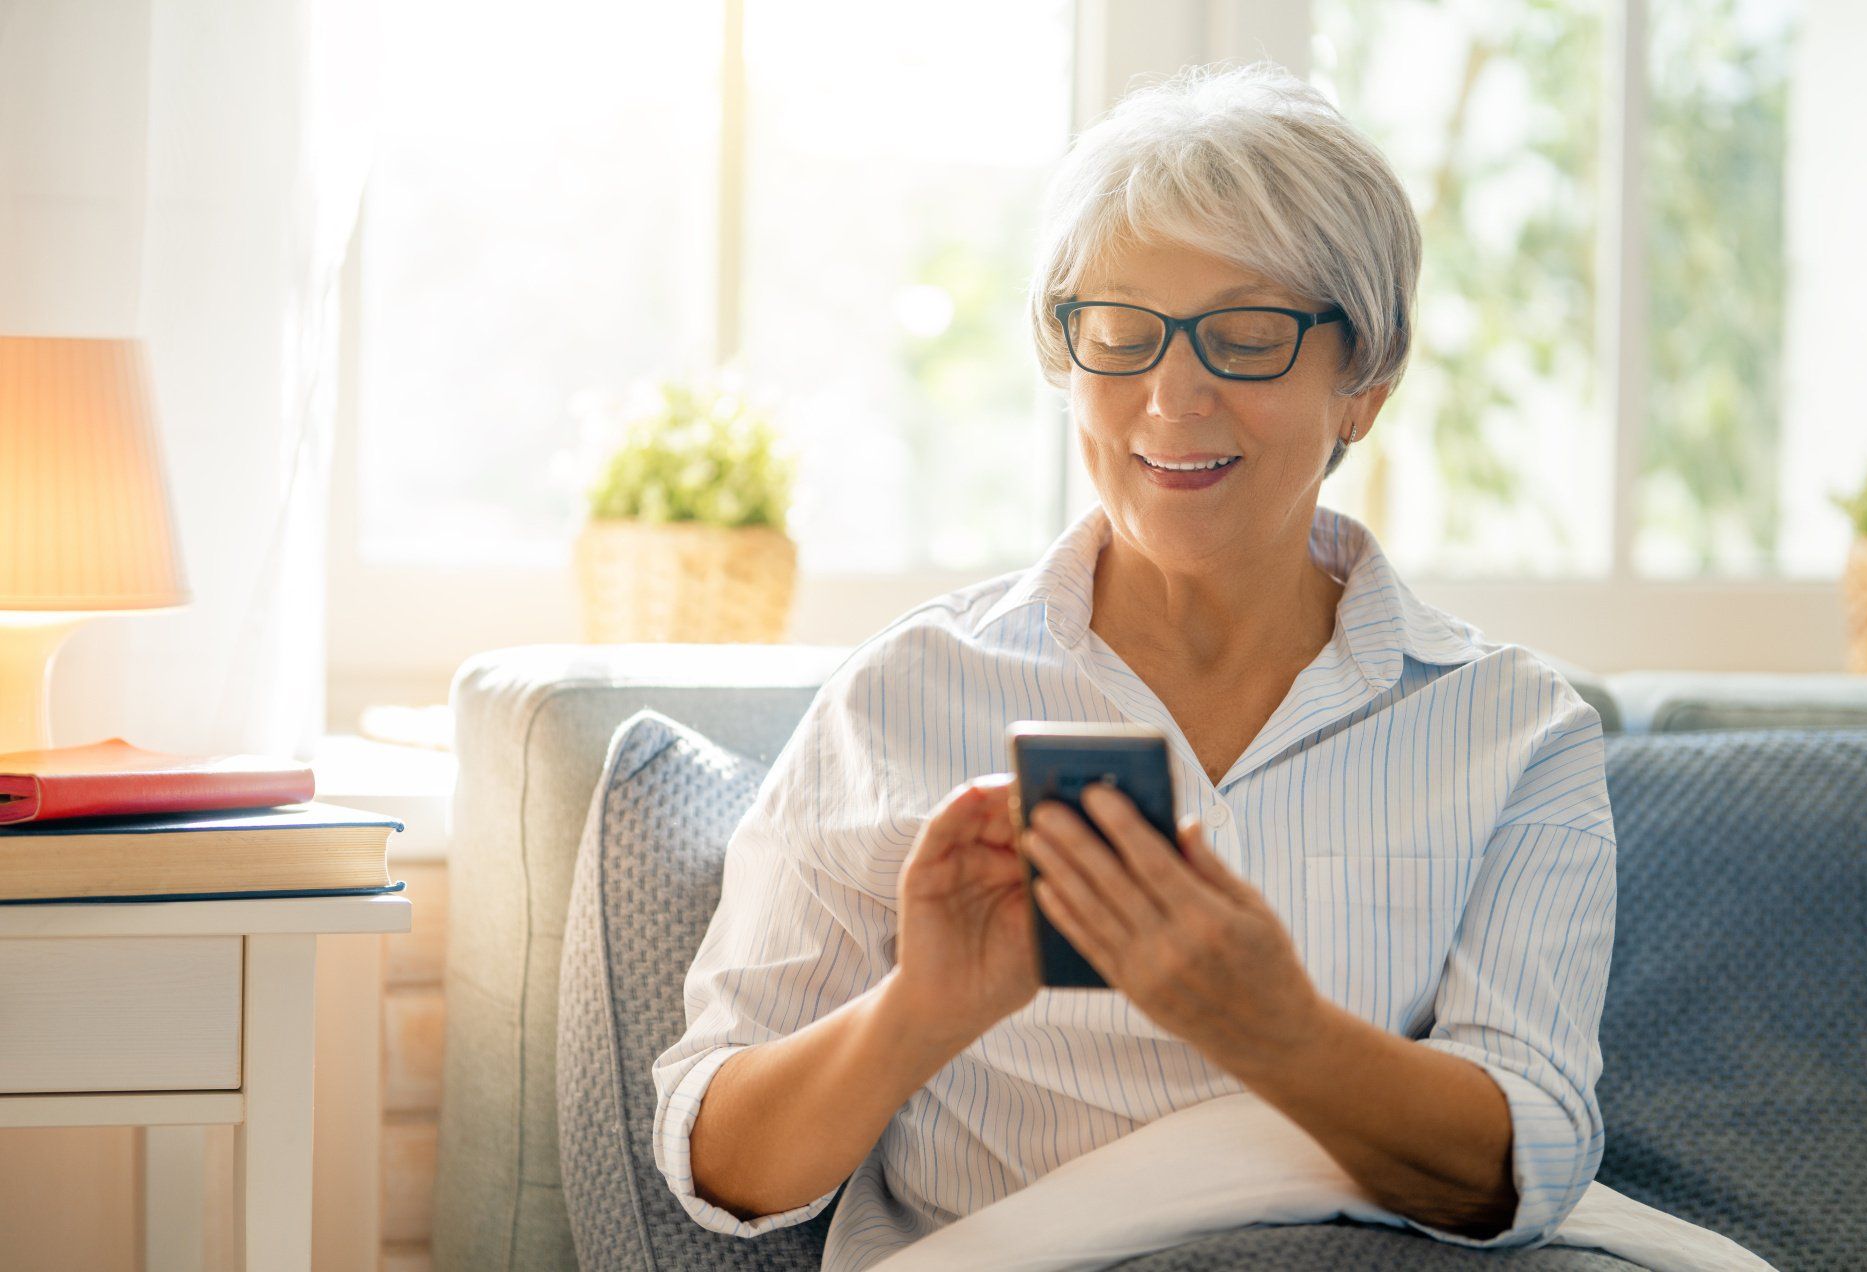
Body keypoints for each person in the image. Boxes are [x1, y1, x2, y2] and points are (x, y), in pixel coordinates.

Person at [653, 59, 1615, 1271]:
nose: (1172, 397)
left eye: (1249, 337)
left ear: (1362, 386)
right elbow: (722, 1165)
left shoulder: (1512, 730)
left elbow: (1523, 1163)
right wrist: (920, 1012)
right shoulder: (908, 692)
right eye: (1120, 335)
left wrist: (1276, 1031)